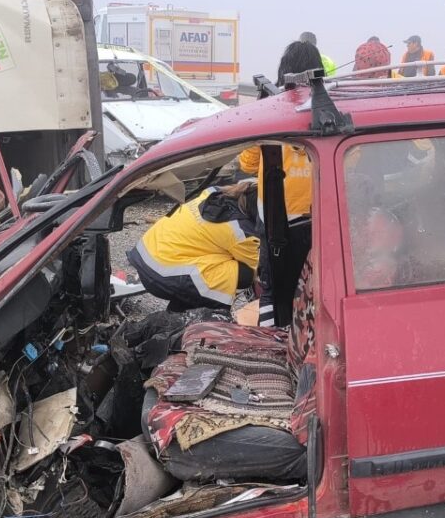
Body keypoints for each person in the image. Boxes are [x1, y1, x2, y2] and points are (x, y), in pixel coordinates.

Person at [238, 41, 319, 326]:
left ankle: (272, 347)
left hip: (276, 227)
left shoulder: (269, 113)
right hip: (319, 226)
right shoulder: (327, 110)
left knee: (272, 293)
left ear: (283, 73)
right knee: (315, 290)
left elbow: (247, 163)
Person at [128, 182, 259, 311]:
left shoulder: (214, 193)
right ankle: (204, 315)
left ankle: (178, 311)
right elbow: (257, 270)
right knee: (244, 275)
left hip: (149, 259)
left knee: (223, 257)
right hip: (163, 276)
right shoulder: (242, 232)